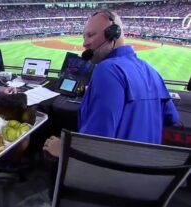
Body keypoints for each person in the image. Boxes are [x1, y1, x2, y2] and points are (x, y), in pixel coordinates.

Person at [44, 10, 179, 158]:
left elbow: (94, 143)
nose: (84, 43)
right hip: (147, 171)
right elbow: (172, 118)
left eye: (91, 35)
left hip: (113, 173)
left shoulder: (107, 70)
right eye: (84, 37)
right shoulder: (152, 72)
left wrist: (63, 149)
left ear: (112, 33)